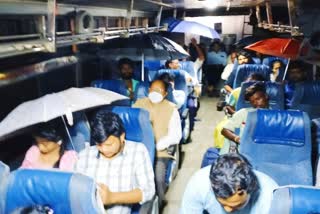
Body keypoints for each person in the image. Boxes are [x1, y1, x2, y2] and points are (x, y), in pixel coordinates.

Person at [75, 111, 155, 214]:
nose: (104, 149)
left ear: (121, 137)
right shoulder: (84, 155)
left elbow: (148, 191)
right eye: (99, 145)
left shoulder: (137, 151)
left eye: (109, 144)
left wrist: (112, 197)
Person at [133, 79, 182, 209]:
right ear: (148, 91)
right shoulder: (138, 104)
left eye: (159, 91)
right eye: (153, 90)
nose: (155, 93)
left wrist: (158, 145)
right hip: (139, 149)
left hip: (160, 151)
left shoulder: (171, 109)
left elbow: (176, 135)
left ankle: (160, 202)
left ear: (165, 93)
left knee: (158, 178)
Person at [180, 153, 278, 214]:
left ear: (251, 189)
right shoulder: (198, 184)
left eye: (238, 205)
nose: (227, 210)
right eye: (222, 204)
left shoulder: (271, 199)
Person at [221, 83, 269, 148]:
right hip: (245, 148)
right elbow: (224, 130)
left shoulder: (279, 117)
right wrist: (237, 139)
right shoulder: (244, 113)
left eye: (258, 99)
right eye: (252, 101)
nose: (255, 103)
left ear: (265, 96)